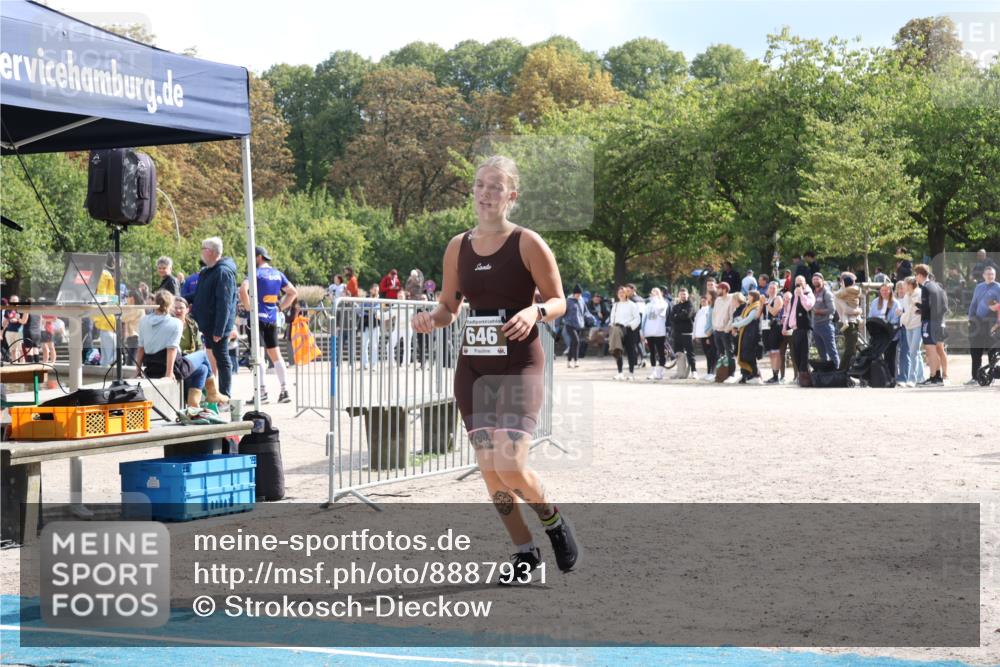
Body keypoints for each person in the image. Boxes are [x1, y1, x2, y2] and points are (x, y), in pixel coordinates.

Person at [410, 155, 578, 585]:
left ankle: (552, 519)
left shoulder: (527, 242)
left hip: (519, 364)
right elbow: (449, 307)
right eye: (480, 185)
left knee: (511, 465)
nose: (485, 193)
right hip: (474, 370)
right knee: (489, 469)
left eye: (495, 187)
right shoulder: (458, 246)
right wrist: (431, 319)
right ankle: (524, 551)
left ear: (511, 196)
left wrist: (535, 311)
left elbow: (559, 300)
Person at [135, 290, 221, 408]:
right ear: (170, 305)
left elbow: (141, 348)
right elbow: (172, 349)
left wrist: (138, 371)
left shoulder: (144, 320)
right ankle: (213, 392)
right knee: (203, 355)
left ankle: (193, 405)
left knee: (203, 369)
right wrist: (169, 373)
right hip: (175, 368)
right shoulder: (175, 323)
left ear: (155, 303)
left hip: (151, 368)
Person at [239, 246, 297, 404]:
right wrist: (280, 308)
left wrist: (249, 308)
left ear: (258, 257)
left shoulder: (255, 273)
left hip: (256, 318)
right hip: (271, 319)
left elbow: (243, 290)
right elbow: (293, 292)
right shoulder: (278, 274)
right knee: (276, 354)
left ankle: (262, 392)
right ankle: (285, 391)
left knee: (258, 355)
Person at [191, 236, 238, 398]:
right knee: (211, 358)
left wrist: (219, 329)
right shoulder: (208, 271)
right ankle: (212, 393)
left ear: (210, 252)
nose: (201, 252)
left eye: (203, 249)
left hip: (217, 326)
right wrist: (183, 299)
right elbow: (200, 295)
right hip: (206, 324)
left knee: (222, 359)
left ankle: (225, 395)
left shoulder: (223, 272)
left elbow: (224, 304)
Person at [914, 264, 949, 386]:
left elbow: (926, 306)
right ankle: (941, 376)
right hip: (940, 321)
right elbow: (945, 306)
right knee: (939, 349)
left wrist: (919, 307)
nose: (916, 278)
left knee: (930, 349)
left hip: (929, 322)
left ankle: (934, 377)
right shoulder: (938, 286)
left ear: (920, 275)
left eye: (916, 275)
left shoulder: (926, 288)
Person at [967, 266, 1000, 385]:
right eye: (988, 274)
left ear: (995, 275)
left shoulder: (998, 287)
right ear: (983, 275)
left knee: (992, 351)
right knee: (975, 350)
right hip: (977, 321)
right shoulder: (979, 287)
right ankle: (975, 377)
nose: (990, 276)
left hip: (992, 322)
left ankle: (991, 376)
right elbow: (973, 303)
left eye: (992, 274)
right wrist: (970, 318)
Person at [782, 275, 815, 386]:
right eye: (796, 283)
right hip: (795, 329)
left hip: (805, 328)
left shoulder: (809, 294)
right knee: (796, 355)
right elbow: (789, 312)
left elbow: (808, 306)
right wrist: (785, 326)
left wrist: (801, 295)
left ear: (805, 283)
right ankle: (802, 376)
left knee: (804, 354)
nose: (798, 285)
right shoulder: (794, 296)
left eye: (800, 283)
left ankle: (805, 379)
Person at [869, 283, 902, 381]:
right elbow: (871, 316)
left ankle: (891, 378)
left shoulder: (895, 303)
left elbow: (896, 320)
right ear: (880, 291)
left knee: (890, 357)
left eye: (886, 290)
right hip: (878, 332)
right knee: (875, 355)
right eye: (882, 290)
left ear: (890, 291)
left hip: (890, 333)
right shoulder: (875, 302)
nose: (884, 292)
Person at [710, 281, 742, 380]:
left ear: (724, 289)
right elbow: (714, 314)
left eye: (719, 288)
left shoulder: (731, 299)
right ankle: (721, 374)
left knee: (729, 353)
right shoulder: (717, 300)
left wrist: (727, 329)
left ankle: (731, 375)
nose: (717, 290)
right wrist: (714, 326)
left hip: (726, 331)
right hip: (717, 330)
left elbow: (732, 316)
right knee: (720, 354)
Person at [610, 286, 642, 380]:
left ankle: (631, 373)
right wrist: (612, 325)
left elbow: (637, 318)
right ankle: (620, 372)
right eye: (619, 293)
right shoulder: (616, 305)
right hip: (617, 329)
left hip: (628, 330)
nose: (621, 294)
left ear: (626, 294)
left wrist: (630, 325)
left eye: (623, 292)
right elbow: (612, 317)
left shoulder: (632, 305)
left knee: (630, 351)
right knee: (617, 350)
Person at [732, 290, 763, 384]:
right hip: (745, 333)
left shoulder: (756, 306)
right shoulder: (748, 306)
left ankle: (756, 375)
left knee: (749, 355)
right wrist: (734, 323)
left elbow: (748, 320)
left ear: (753, 297)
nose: (747, 298)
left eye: (749, 296)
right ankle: (746, 376)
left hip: (752, 334)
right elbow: (742, 317)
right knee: (744, 355)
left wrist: (735, 324)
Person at [898, 278, 925, 387]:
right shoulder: (906, 296)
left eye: (905, 284)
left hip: (918, 325)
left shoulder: (919, 294)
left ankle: (911, 379)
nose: (903, 286)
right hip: (908, 325)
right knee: (915, 352)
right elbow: (907, 311)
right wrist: (901, 314)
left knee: (913, 352)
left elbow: (924, 308)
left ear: (910, 285)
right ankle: (921, 378)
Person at [834, 272, 862, 371]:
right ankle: (842, 371)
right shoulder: (839, 295)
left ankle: (848, 370)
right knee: (850, 350)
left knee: (853, 349)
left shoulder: (850, 293)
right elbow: (846, 310)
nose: (854, 283)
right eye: (852, 280)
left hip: (853, 322)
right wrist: (859, 311)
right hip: (847, 323)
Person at [810, 273, 838, 368]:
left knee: (832, 351)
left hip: (826, 325)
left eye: (817, 279)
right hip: (815, 326)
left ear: (822, 280)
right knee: (821, 352)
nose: (815, 281)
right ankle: (826, 373)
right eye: (814, 279)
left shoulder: (827, 293)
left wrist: (818, 311)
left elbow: (832, 309)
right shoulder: (813, 293)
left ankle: (837, 371)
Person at [641, 287, 669, 380]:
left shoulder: (663, 303)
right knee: (652, 352)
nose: (653, 295)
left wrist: (656, 300)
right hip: (649, 331)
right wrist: (642, 331)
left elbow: (660, 312)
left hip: (659, 331)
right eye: (652, 293)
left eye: (656, 293)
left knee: (661, 352)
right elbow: (644, 318)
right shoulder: (648, 305)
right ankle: (653, 371)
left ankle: (660, 371)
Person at [669, 288, 696, 379]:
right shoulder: (675, 307)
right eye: (681, 294)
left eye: (684, 294)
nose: (683, 296)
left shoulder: (690, 305)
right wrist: (681, 314)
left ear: (687, 295)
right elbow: (672, 318)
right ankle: (680, 372)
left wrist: (678, 315)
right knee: (679, 353)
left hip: (687, 333)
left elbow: (687, 316)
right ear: (678, 295)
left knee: (690, 353)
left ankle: (694, 372)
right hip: (677, 333)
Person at [762, 282, 784, 384]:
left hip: (775, 327)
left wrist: (766, 304)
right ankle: (773, 375)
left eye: (774, 288)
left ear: (777, 289)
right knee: (771, 353)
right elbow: (758, 314)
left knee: (775, 352)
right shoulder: (766, 299)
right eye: (770, 288)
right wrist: (761, 303)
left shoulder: (778, 298)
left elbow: (774, 312)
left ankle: (776, 376)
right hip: (765, 327)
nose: (772, 290)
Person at [563, 285, 586, 368]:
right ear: (574, 294)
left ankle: (569, 361)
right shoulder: (568, 301)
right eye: (577, 294)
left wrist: (592, 319)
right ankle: (576, 361)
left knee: (573, 343)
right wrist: (558, 322)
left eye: (580, 294)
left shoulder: (582, 301)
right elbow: (563, 312)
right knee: (576, 341)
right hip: (569, 324)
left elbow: (585, 311)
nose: (578, 295)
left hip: (578, 324)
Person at [693, 293, 715, 381]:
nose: (703, 302)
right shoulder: (699, 311)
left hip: (708, 335)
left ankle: (712, 372)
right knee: (707, 355)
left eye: (704, 301)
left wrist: (709, 336)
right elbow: (696, 324)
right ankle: (709, 372)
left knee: (711, 355)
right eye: (701, 301)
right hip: (701, 336)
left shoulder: (709, 310)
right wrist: (695, 335)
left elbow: (710, 322)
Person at [121, 291, 145, 367]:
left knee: (132, 360)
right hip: (133, 336)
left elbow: (123, 318)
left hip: (135, 336)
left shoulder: (137, 309)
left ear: (132, 298)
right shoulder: (137, 308)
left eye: (127, 297)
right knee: (132, 359)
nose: (126, 299)